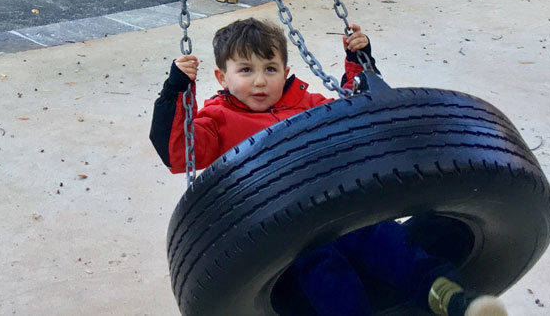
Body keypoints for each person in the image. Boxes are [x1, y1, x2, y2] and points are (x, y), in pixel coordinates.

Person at [150, 17, 508, 316]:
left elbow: (357, 114)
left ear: (286, 71)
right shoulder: (216, 120)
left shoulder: (308, 105)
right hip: (284, 234)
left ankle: (451, 298)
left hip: (339, 211)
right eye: (246, 70)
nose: (260, 81)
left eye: (270, 69)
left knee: (386, 239)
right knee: (324, 269)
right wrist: (176, 89)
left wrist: (359, 60)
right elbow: (178, 151)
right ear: (221, 77)